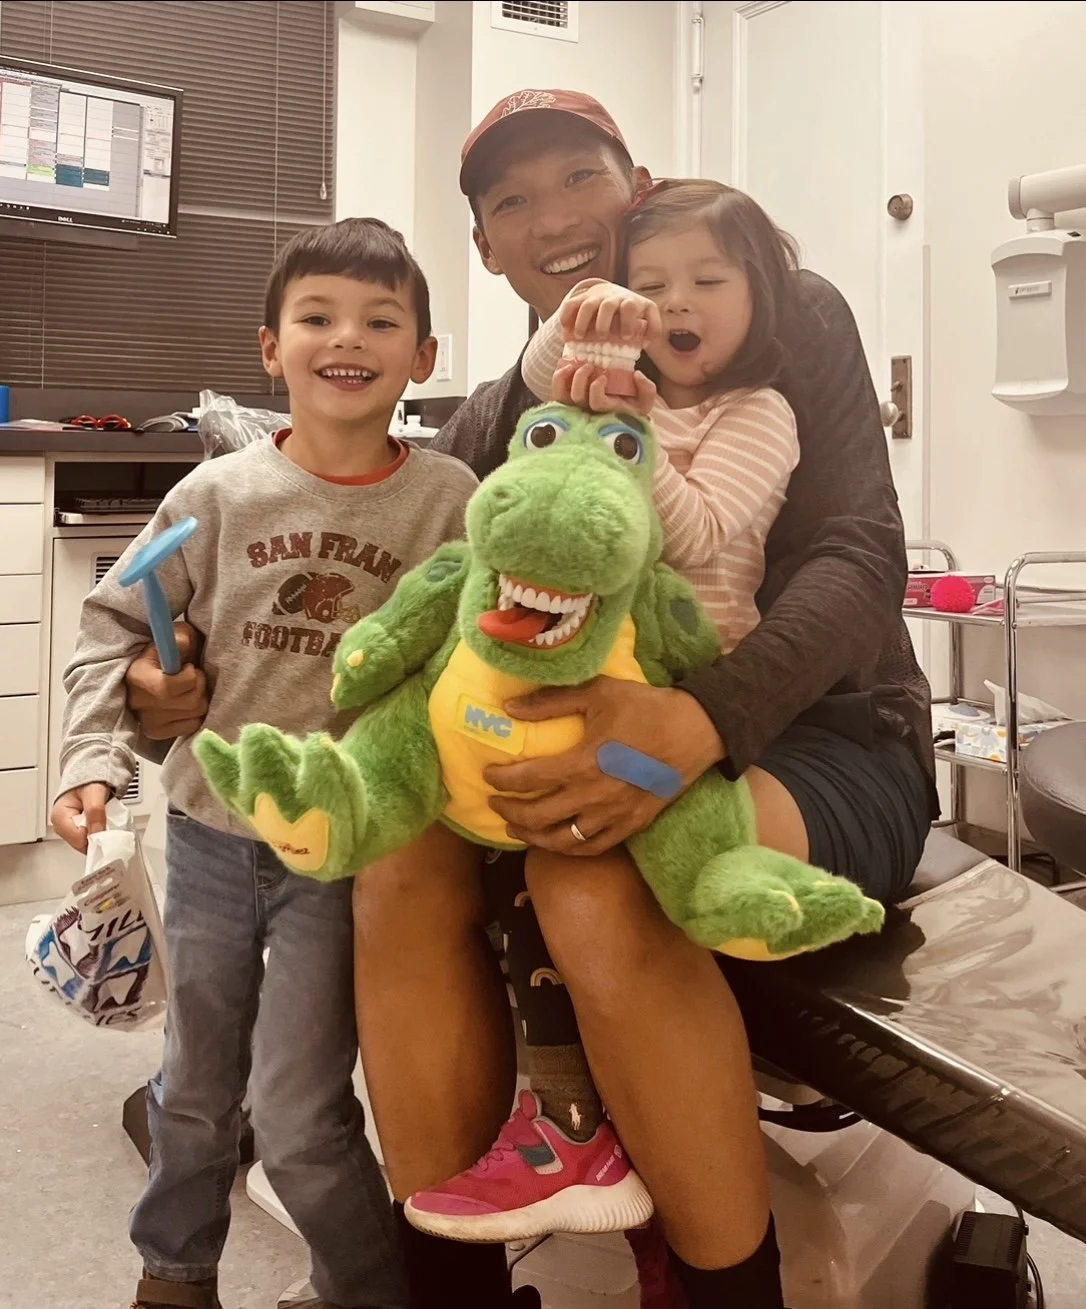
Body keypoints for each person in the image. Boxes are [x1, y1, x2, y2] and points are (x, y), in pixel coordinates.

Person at [125, 91, 937, 1309]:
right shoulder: (502, 412)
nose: (556, 217)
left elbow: (865, 556)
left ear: (640, 184)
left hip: (824, 735)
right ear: (487, 248)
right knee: (397, 864)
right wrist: (178, 672)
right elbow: (432, 608)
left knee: (594, 878)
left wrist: (697, 723)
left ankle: (726, 1289)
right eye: (513, 200)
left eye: (580, 177)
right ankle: (450, 1283)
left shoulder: (771, 312)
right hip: (586, 727)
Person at [51, 217, 478, 1309]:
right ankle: (174, 1272)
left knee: (297, 1111)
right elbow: (114, 626)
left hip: (346, 855)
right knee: (191, 1087)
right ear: (270, 346)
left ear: (423, 357)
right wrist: (96, 756)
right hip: (205, 840)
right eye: (319, 317)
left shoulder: (449, 502)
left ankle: (365, 1287)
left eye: (382, 321)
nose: (349, 338)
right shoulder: (215, 496)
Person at [401, 177, 807, 1241]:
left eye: (708, 282)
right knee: (486, 824)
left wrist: (626, 441)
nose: (678, 301)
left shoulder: (758, 414)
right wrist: (580, 336)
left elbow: (705, 535)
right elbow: (543, 383)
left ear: (759, 295)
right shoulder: (609, 384)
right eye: (651, 282)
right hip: (592, 668)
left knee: (572, 857)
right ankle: (574, 1117)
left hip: (679, 680)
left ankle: (573, 1117)